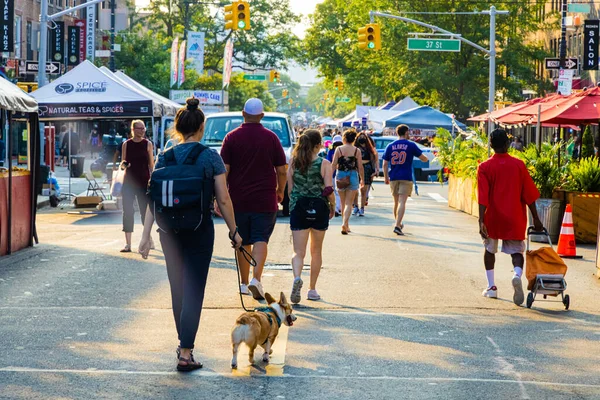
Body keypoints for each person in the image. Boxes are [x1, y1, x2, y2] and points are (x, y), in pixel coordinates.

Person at [139, 97, 242, 372]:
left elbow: (153, 197)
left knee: (178, 289)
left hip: (168, 232)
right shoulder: (210, 157)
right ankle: (186, 352)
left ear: (178, 127)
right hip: (199, 230)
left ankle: (183, 344)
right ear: (202, 127)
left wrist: (145, 235)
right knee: (194, 289)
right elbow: (224, 199)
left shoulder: (165, 156)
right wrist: (234, 232)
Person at [220, 98, 287, 300]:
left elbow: (225, 171)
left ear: (243, 114)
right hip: (265, 198)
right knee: (260, 238)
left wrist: (221, 196)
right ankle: (256, 279)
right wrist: (280, 190)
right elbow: (282, 170)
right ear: (262, 116)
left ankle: (243, 282)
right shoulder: (272, 138)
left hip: (237, 199)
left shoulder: (231, 138)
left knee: (242, 240)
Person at [478, 129, 543, 306]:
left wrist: (481, 220)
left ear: (491, 145)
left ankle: (491, 288)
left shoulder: (484, 167)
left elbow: (483, 196)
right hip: (515, 216)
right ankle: (516, 275)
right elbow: (528, 194)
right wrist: (536, 218)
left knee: (489, 250)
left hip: (493, 217)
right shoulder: (519, 165)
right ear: (507, 145)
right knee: (516, 251)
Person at [288, 129, 335, 303]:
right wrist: (332, 206)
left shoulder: (293, 162)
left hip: (299, 207)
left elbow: (290, 189)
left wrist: (292, 205)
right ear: (318, 145)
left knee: (298, 252)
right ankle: (312, 289)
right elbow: (328, 189)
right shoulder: (324, 163)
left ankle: (296, 277)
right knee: (316, 251)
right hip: (318, 207)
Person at [383, 124, 428, 236]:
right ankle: (397, 225)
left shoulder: (390, 145)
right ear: (406, 132)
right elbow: (423, 158)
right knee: (402, 202)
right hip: (406, 176)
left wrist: (385, 177)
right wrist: (426, 159)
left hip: (394, 176)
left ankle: (398, 222)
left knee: (396, 202)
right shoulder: (411, 145)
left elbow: (385, 163)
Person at [120, 120, 154, 253]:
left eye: (143, 129)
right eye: (139, 129)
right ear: (133, 130)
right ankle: (128, 244)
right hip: (128, 182)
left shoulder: (148, 144)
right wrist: (124, 164)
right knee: (127, 211)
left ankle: (148, 239)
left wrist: (154, 178)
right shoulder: (126, 144)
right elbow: (122, 164)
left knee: (144, 212)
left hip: (144, 182)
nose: (142, 131)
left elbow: (151, 165)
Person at [332, 129, 364, 235]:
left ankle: (345, 224)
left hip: (340, 175)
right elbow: (360, 166)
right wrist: (362, 178)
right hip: (353, 175)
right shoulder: (356, 151)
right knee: (349, 204)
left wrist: (328, 176)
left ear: (344, 138)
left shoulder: (339, 149)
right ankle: (345, 224)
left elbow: (333, 164)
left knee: (342, 202)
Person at [353, 132, 379, 217]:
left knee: (364, 190)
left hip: (367, 169)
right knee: (355, 189)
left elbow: (375, 159)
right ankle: (355, 206)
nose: (362, 138)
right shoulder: (355, 148)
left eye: (363, 137)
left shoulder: (370, 149)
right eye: (360, 136)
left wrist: (376, 170)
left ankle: (362, 208)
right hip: (356, 169)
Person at [327, 135, 343, 216]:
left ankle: (336, 208)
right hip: (338, 173)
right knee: (337, 192)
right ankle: (337, 208)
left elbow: (328, 161)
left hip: (334, 173)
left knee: (334, 191)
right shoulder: (342, 150)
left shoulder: (331, 151)